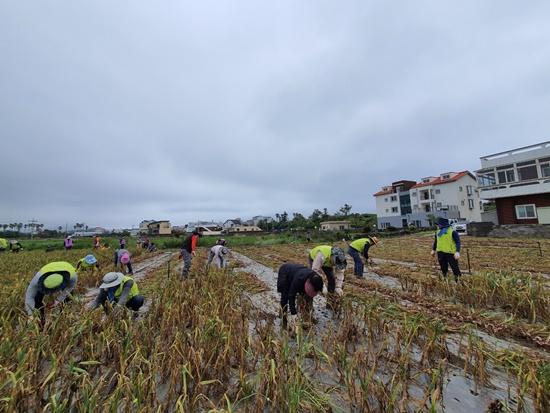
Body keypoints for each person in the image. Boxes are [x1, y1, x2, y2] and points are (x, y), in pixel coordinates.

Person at [277, 263, 324, 329]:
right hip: (285, 273)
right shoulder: (299, 279)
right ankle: (283, 317)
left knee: (306, 297)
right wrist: (294, 314)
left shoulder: (317, 279)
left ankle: (306, 318)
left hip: (298, 272)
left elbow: (310, 296)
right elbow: (291, 296)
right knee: (285, 296)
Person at [431, 217, 462, 282]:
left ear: (443, 225)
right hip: (440, 253)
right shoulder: (438, 232)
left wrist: (457, 252)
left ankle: (459, 281)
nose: (438, 226)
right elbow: (436, 241)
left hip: (450, 253)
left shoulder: (452, 232)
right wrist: (433, 250)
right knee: (443, 268)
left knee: (455, 268)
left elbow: (458, 242)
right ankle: (445, 280)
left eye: (439, 224)